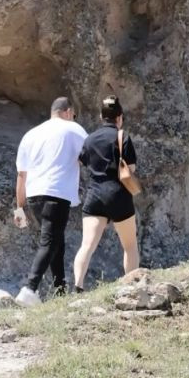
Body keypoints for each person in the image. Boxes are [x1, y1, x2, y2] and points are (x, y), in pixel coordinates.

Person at [13, 97, 87, 306]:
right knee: (49, 241)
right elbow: (89, 155)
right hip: (57, 193)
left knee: (56, 242)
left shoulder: (31, 134)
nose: (73, 118)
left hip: (34, 195)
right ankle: (29, 288)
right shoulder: (73, 129)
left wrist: (19, 207)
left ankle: (60, 292)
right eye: (73, 115)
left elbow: (21, 175)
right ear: (68, 111)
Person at [73, 95, 140, 291]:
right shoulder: (123, 137)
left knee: (87, 245)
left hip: (95, 196)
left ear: (101, 116)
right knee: (129, 246)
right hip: (119, 195)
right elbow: (132, 168)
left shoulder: (90, 139)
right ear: (119, 117)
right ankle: (132, 287)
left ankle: (78, 286)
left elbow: (80, 161)